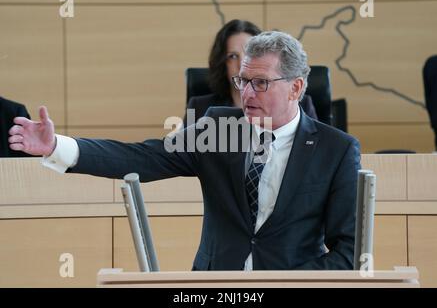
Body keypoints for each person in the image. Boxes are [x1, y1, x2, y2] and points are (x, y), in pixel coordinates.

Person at [9, 31, 360, 270]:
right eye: (243, 81)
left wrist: (281, 283)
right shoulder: (218, 128)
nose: (247, 94)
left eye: (261, 83)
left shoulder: (336, 150)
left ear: (296, 87)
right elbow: (142, 157)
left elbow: (348, 252)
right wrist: (57, 147)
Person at [184, 19, 318, 126]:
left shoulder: (299, 106)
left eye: (249, 54)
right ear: (222, 62)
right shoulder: (202, 109)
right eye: (233, 56)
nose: (243, 62)